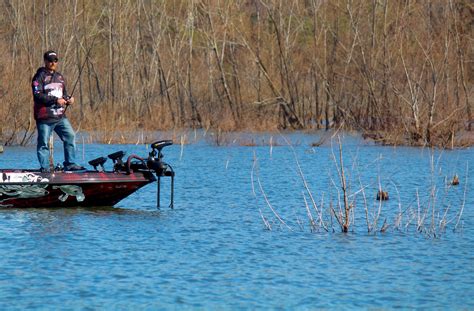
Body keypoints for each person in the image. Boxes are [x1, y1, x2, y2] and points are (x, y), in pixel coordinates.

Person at [32, 50, 84, 172]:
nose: (52, 63)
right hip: (44, 117)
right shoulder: (39, 76)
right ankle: (45, 168)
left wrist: (68, 99)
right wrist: (56, 100)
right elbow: (37, 95)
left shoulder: (60, 77)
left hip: (60, 117)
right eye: (50, 61)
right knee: (43, 143)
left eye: (55, 60)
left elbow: (63, 94)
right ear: (45, 61)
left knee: (70, 136)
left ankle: (70, 163)